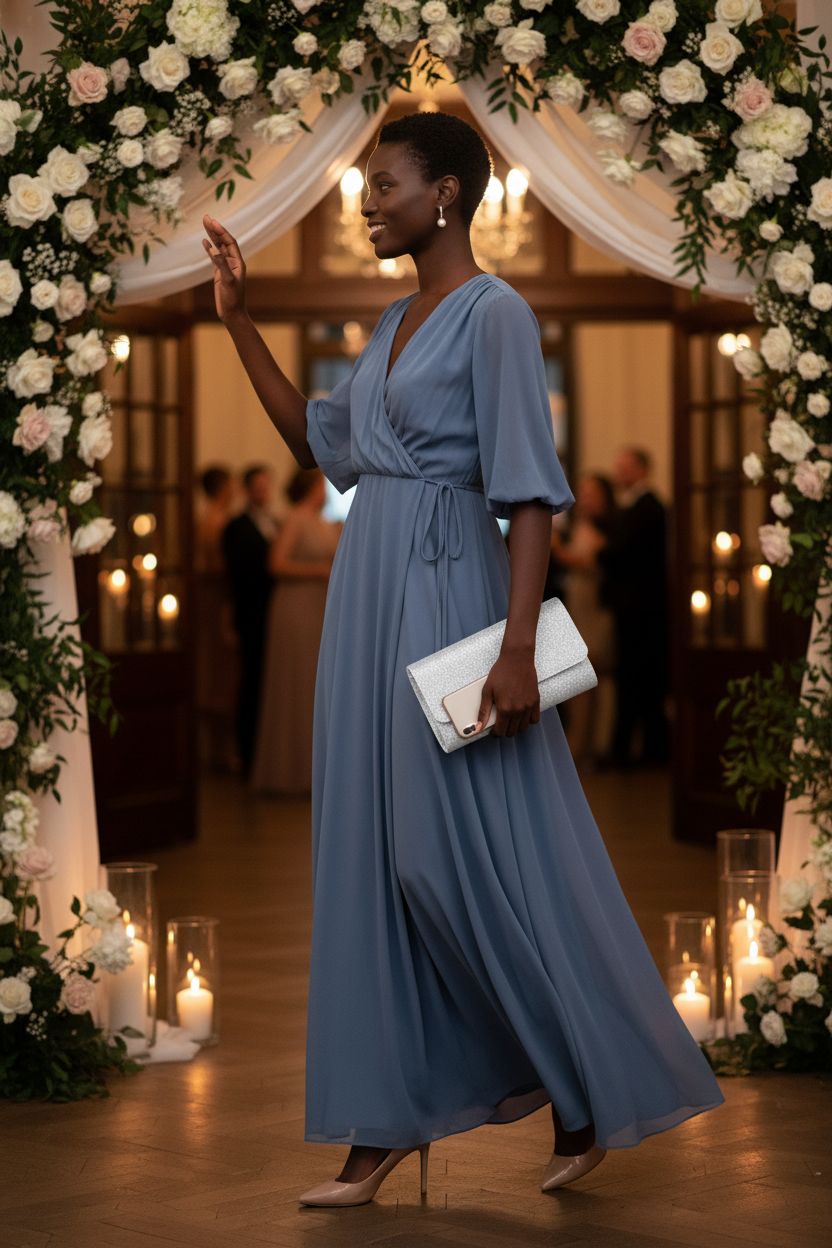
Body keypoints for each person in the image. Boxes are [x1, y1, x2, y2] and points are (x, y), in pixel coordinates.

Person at [202, 110, 723, 1208]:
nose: (365, 204)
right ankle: (379, 1126)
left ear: (442, 193)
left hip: (450, 592)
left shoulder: (496, 314)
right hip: (365, 595)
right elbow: (318, 444)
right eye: (364, 187)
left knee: (447, 862)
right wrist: (241, 321)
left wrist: (520, 648)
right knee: (370, 858)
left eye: (381, 184)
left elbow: (528, 491)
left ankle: (577, 1084)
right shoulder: (389, 322)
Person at [250, 467, 341, 795]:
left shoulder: (324, 521)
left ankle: (317, 769)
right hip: (295, 606)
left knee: (317, 684)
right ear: (310, 487)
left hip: (318, 606)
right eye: (322, 484)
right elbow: (276, 563)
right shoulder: (296, 518)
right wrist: (318, 571)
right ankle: (291, 772)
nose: (326, 491)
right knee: (297, 683)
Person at [599, 447, 670, 768]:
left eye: (625, 467)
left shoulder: (650, 507)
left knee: (640, 681)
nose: (619, 473)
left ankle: (639, 752)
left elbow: (623, 553)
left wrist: (600, 550)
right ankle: (632, 749)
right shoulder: (633, 507)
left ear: (643, 470)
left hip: (643, 610)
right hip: (632, 608)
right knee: (632, 680)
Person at [550, 473, 617, 769]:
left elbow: (593, 563)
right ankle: (577, 744)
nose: (586, 498)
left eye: (592, 492)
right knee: (576, 678)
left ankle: (589, 747)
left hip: (594, 608)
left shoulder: (608, 528)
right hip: (576, 606)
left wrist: (555, 548)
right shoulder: (578, 525)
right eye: (584, 491)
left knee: (589, 673)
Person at [221, 465, 278, 780]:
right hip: (251, 614)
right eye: (257, 487)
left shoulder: (274, 522)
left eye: (266, 486)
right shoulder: (236, 526)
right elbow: (238, 575)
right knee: (251, 682)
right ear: (247, 490)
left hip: (274, 614)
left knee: (268, 682)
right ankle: (246, 754)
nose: (263, 492)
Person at [194, 465, 238, 771]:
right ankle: (221, 753)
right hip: (217, 600)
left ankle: (214, 751)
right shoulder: (217, 521)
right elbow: (218, 566)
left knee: (214, 672)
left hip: (208, 599)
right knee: (221, 673)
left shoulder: (204, 517)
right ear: (222, 487)